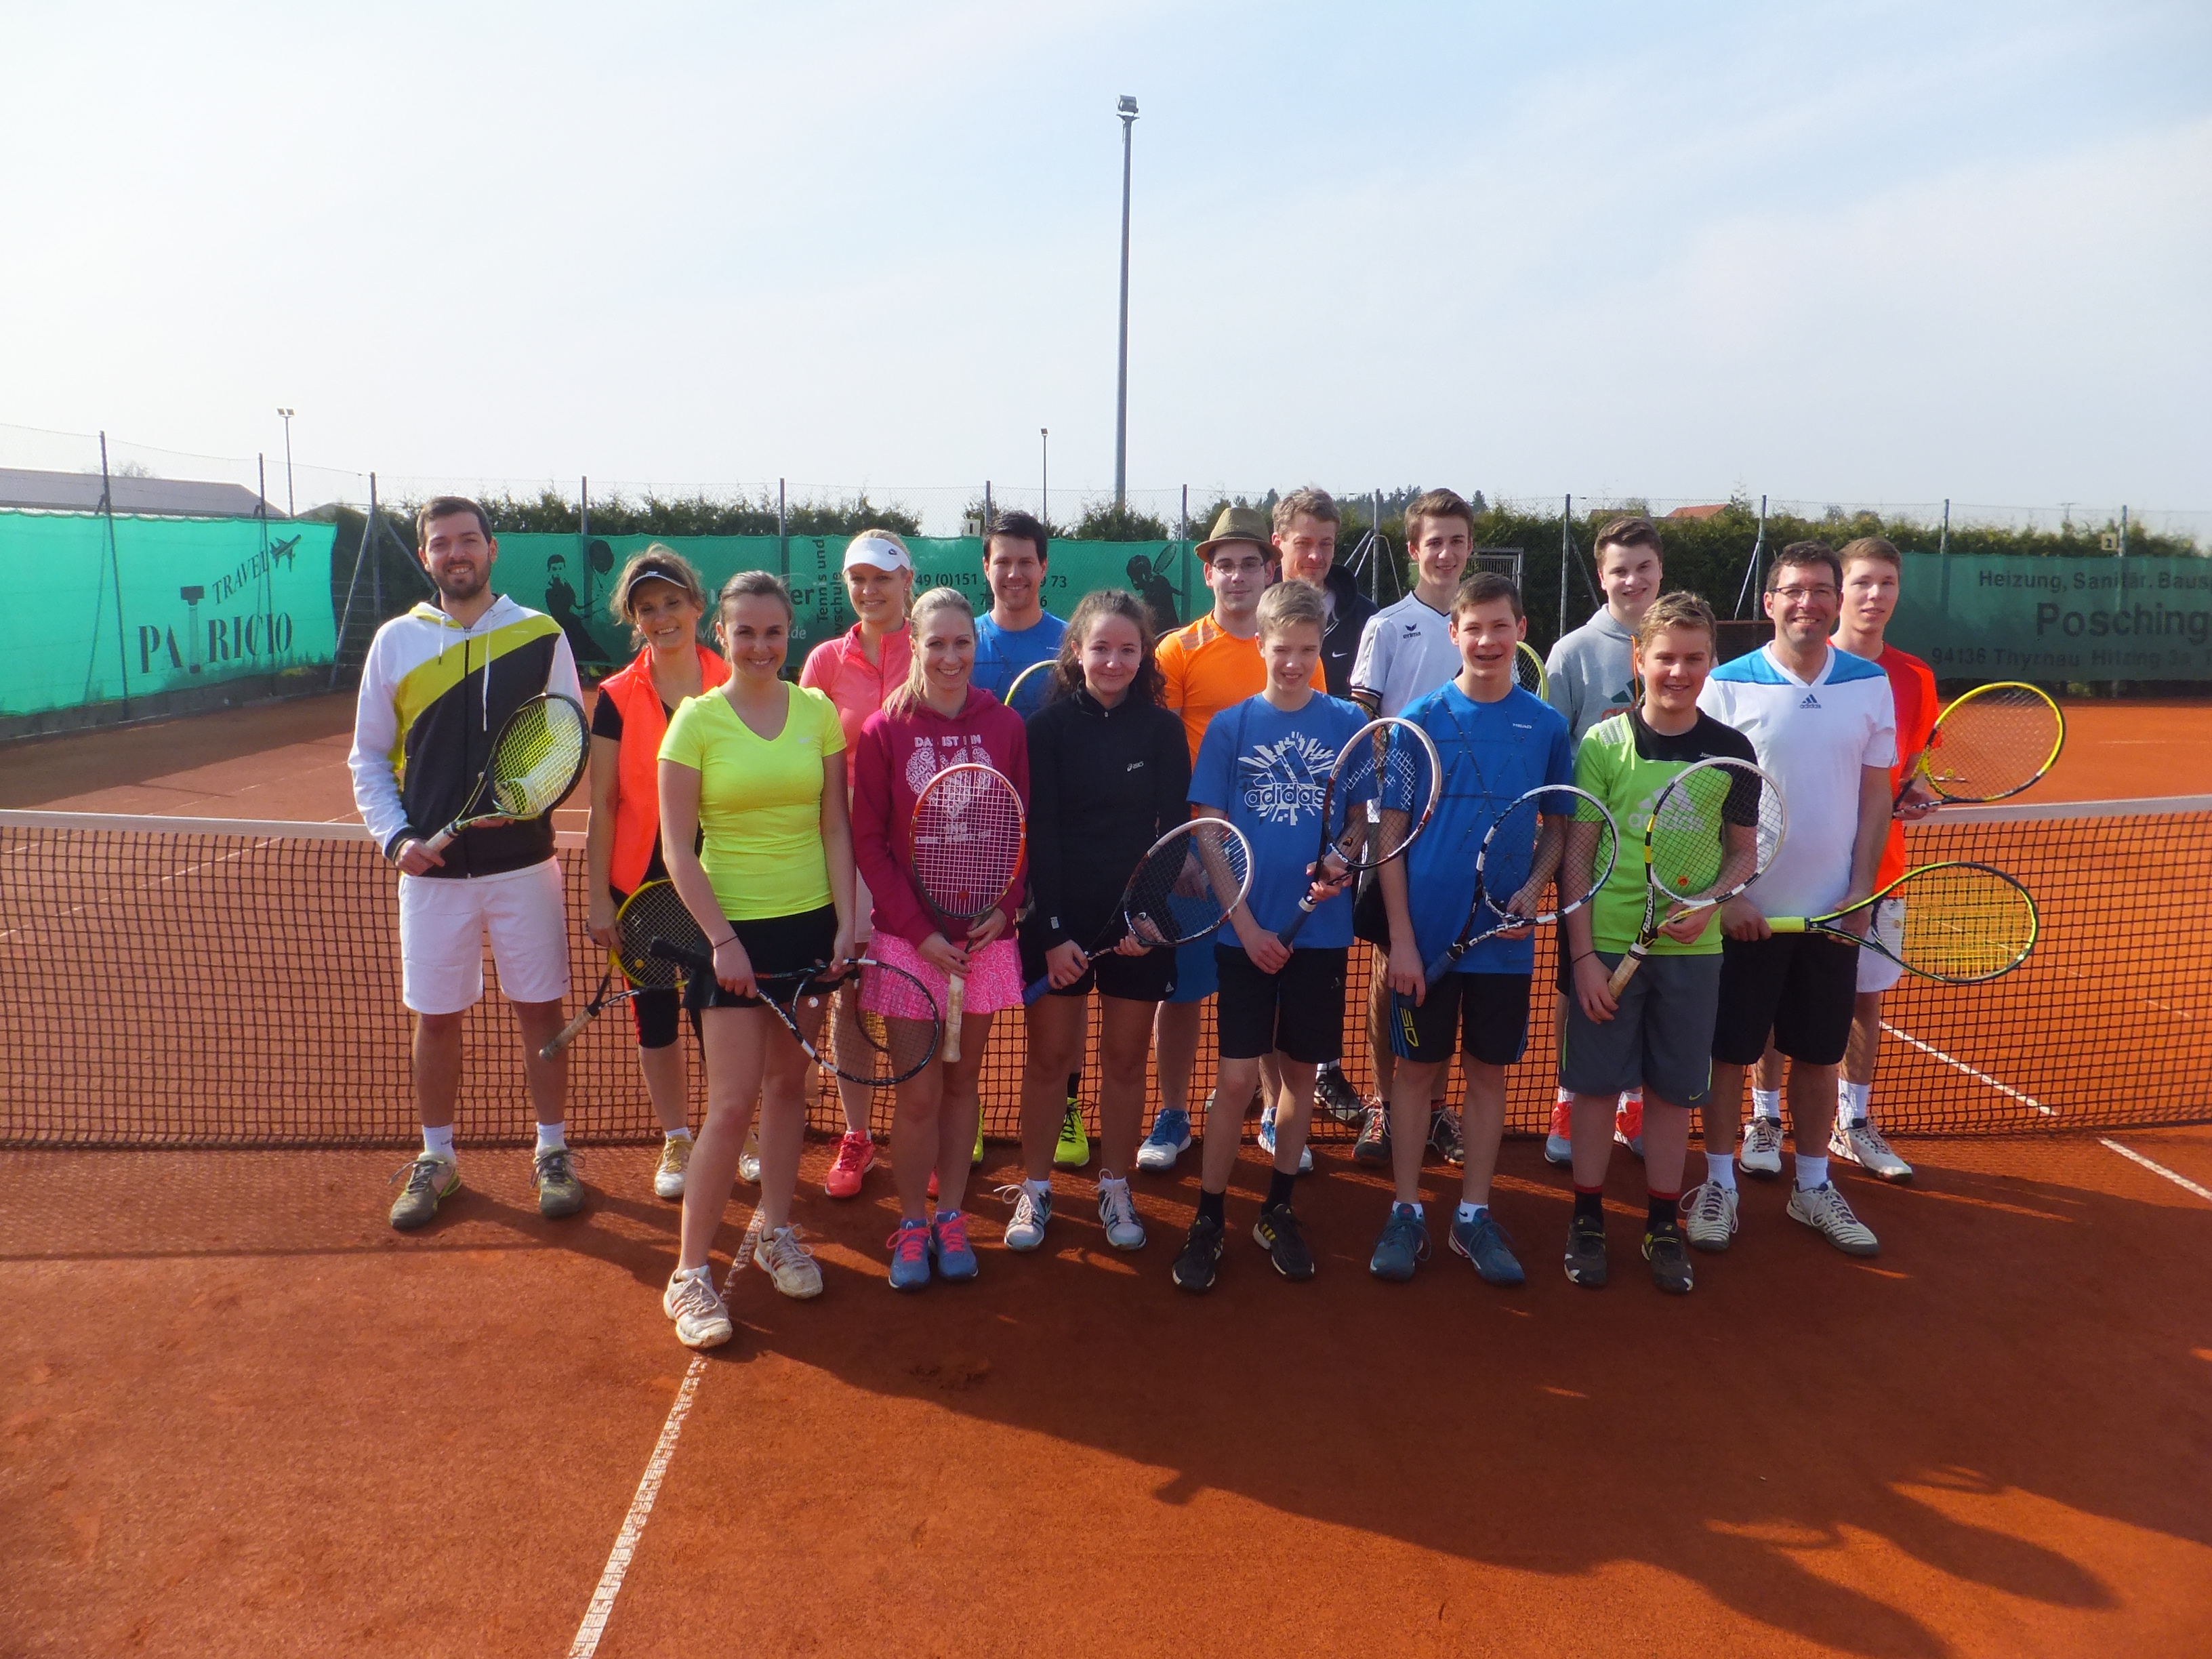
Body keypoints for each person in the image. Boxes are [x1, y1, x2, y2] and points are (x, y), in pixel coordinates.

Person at [353, 497, 586, 1231]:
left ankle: (552, 1150)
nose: (455, 553)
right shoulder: (395, 641)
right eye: (440, 544)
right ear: (425, 557)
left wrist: (525, 796)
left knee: (538, 1010)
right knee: (437, 1017)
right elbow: (367, 754)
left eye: (467, 541)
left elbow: (564, 736)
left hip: (525, 866)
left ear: (491, 549)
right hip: (431, 875)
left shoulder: (541, 633)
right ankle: (437, 1157)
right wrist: (396, 838)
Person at [656, 573, 860, 1348]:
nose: (762, 646)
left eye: (775, 632)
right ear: (722, 635)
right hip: (731, 932)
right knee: (733, 1101)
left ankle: (777, 1232)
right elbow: (679, 847)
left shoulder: (818, 715)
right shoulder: (696, 723)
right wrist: (721, 939)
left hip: (807, 928)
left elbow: (834, 828)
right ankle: (689, 1274)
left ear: (790, 636)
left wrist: (845, 921)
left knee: (788, 1089)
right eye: (746, 632)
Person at [1690, 541, 1895, 1258]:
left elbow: (1875, 798)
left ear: (1835, 602)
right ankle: (1719, 1184)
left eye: (1819, 590)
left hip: (1831, 915)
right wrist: (1724, 898)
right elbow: (1700, 801)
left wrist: (1861, 891)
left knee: (1817, 1056)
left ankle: (1814, 1189)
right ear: (1770, 603)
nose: (1807, 602)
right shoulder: (1724, 685)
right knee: (1727, 1055)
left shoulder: (1870, 685)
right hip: (1745, 915)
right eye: (1793, 590)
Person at [1370, 572, 1573, 1286]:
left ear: (1521, 630)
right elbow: (1389, 841)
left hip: (1503, 945)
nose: (1488, 640)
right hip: (1422, 944)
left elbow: (1557, 830)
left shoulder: (1546, 726)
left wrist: (1531, 890)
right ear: (1453, 634)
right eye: (1474, 628)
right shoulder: (1418, 719)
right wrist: (1400, 938)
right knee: (1416, 1076)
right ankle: (1405, 1211)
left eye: (1501, 626)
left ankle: (1472, 1217)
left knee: (1489, 1078)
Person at [1557, 593, 1757, 1294]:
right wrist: (1582, 956)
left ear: (1711, 662)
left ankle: (1662, 1222)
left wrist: (1712, 905)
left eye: (1694, 658)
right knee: (1592, 1089)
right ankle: (1586, 1218)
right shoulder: (1603, 746)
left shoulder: (1732, 752)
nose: (1678, 671)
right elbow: (1576, 858)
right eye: (1664, 657)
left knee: (1674, 1094)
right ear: (1638, 659)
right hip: (1608, 946)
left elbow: (1742, 855)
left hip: (1693, 954)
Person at [1171, 579, 1364, 1292]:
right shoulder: (1231, 727)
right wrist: (1246, 927)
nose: (1293, 663)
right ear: (1262, 644)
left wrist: (1345, 856)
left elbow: (1362, 820)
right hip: (1244, 936)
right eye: (1283, 649)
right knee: (1233, 1081)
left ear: (1320, 652)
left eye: (1307, 652)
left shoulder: (1346, 720)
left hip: (1320, 935)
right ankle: (1210, 1216)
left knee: (1301, 1078)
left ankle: (1277, 1210)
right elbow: (1214, 840)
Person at [1140, 507, 1331, 1179]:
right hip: (1199, 861)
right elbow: (1163, 758)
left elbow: (1317, 758)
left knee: (1274, 978)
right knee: (1184, 994)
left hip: (1280, 865)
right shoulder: (1176, 651)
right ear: (1209, 571)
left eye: (1251, 562)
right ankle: (1172, 1112)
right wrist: (1184, 851)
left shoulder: (1298, 651)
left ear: (1268, 569)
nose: (1238, 574)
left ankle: (1279, 1118)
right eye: (1225, 562)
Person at [850, 586, 1031, 1290]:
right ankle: (913, 1225)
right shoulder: (883, 730)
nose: (951, 657)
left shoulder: (1006, 726)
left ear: (974, 648)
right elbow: (869, 842)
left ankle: (951, 1215)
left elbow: (1021, 828)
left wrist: (1007, 909)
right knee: (918, 1094)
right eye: (937, 644)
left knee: (963, 1087)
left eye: (963, 644)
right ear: (915, 647)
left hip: (983, 945)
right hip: (908, 946)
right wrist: (920, 932)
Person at [1005, 590, 1190, 1255]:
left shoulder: (1163, 731)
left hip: (1141, 926)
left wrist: (1146, 917)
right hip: (1058, 920)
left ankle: (1115, 1186)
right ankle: (1036, 1185)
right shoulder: (1045, 730)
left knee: (1123, 1059)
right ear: (1076, 650)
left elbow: (1173, 834)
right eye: (1101, 648)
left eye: (1128, 649)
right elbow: (1041, 835)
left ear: (1143, 656)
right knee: (1051, 1060)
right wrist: (1053, 934)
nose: (1114, 661)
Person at [1744, 537, 1935, 1182]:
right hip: (1769, 884)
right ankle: (1763, 1116)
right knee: (1764, 1010)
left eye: (1888, 583)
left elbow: (1903, 766)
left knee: (1861, 1002)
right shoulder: (1745, 681)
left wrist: (1922, 784)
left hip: (1874, 877)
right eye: (1862, 583)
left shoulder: (1903, 679)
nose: (1873, 596)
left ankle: (1853, 1124)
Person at [585, 547, 728, 1202]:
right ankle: (677, 1135)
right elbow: (606, 803)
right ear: (634, 621)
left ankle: (739, 1130)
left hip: (724, 880)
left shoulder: (732, 680)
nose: (662, 616)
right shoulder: (613, 698)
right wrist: (598, 901)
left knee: (723, 1014)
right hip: (639, 887)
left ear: (697, 606)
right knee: (658, 1015)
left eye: (673, 602)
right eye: (648, 609)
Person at [1343, 488, 1477, 1169]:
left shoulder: (1481, 623)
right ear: (1413, 550)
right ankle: (1382, 1104)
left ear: (1469, 547)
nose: (1446, 553)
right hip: (1396, 826)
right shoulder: (1388, 626)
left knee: (1457, 958)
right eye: (1435, 542)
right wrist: (1386, 814)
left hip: (1465, 826)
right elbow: (1367, 723)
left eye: (1457, 541)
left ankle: (1436, 1107)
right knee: (1385, 962)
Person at [1541, 516, 1664, 1168]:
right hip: (1589, 849)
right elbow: (1553, 748)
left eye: (1643, 566)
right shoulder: (1572, 652)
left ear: (1659, 571)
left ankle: (1633, 1103)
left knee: (1646, 978)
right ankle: (1569, 1099)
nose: (1632, 579)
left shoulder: (1680, 642)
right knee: (1578, 982)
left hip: (1666, 851)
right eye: (1619, 568)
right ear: (1601, 576)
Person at [799, 529, 916, 1201]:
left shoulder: (928, 649)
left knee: (915, 997)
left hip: (914, 857)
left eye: (882, 578)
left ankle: (921, 1130)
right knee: (847, 995)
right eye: (859, 580)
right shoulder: (822, 662)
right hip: (840, 854)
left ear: (907, 582)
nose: (870, 591)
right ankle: (858, 1134)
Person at [968, 508, 1084, 1169]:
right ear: (987, 567)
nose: (1014, 572)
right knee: (969, 991)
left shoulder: (1071, 643)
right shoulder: (965, 639)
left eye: (1025, 561)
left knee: (1059, 992)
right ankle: (971, 1106)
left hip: (1054, 849)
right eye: (1002, 561)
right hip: (973, 852)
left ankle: (1066, 1102)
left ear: (1044, 567)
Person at [1274, 487, 1376, 720]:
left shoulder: (1367, 619)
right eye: (1304, 543)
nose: (1316, 556)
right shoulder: (1254, 613)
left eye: (1325, 544)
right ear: (1278, 543)